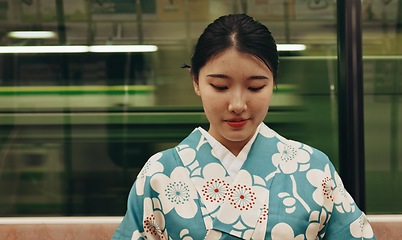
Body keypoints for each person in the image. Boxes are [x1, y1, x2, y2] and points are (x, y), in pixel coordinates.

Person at [113, 13, 376, 240]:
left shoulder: (314, 169)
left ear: (274, 83)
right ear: (195, 81)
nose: (237, 104)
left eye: (255, 87)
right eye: (220, 86)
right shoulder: (159, 174)